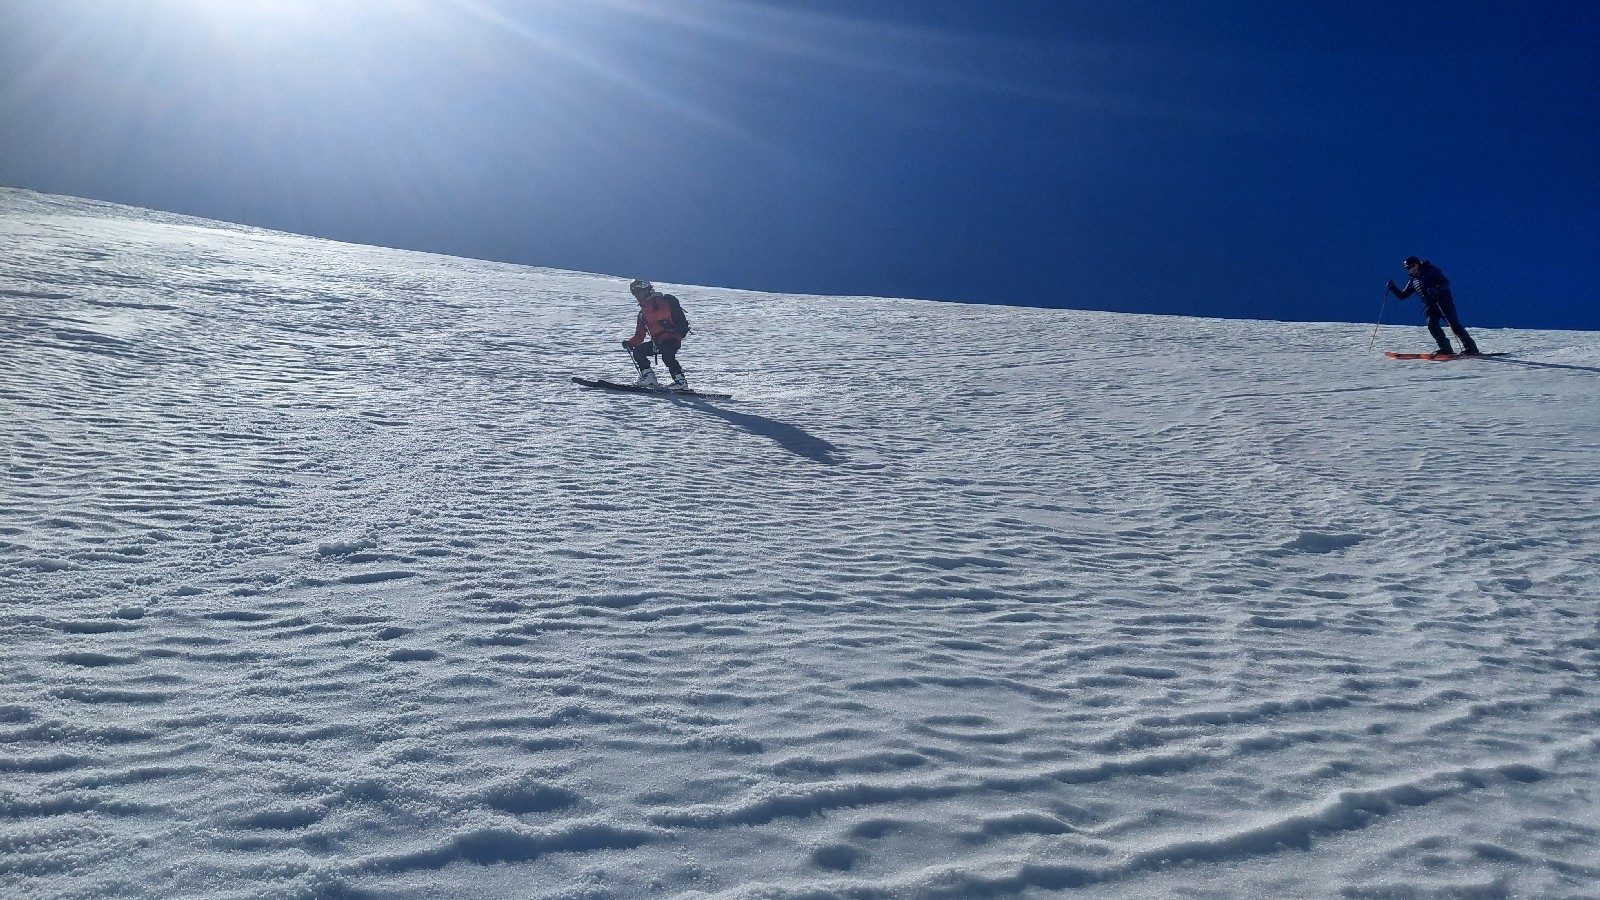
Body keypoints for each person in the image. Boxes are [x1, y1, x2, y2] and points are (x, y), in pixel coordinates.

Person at [1387, 256, 1481, 356]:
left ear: (1418, 264)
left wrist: (1436, 289)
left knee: (1454, 325)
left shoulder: (1431, 271)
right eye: (1408, 267)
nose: (1411, 268)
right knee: (1432, 325)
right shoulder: (1413, 282)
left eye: (1413, 265)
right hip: (1431, 306)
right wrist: (1393, 288)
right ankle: (1445, 349)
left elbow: (1445, 282)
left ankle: (1471, 349)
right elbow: (1403, 295)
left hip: (1444, 302)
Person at [622, 278, 690, 390]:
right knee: (639, 352)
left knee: (667, 355)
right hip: (658, 342)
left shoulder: (658, 301)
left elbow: (665, 312)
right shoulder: (642, 313)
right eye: (634, 293)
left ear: (646, 290)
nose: (636, 295)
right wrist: (630, 343)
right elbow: (640, 335)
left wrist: (647, 316)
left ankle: (681, 382)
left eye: (638, 292)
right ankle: (649, 379)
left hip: (671, 337)